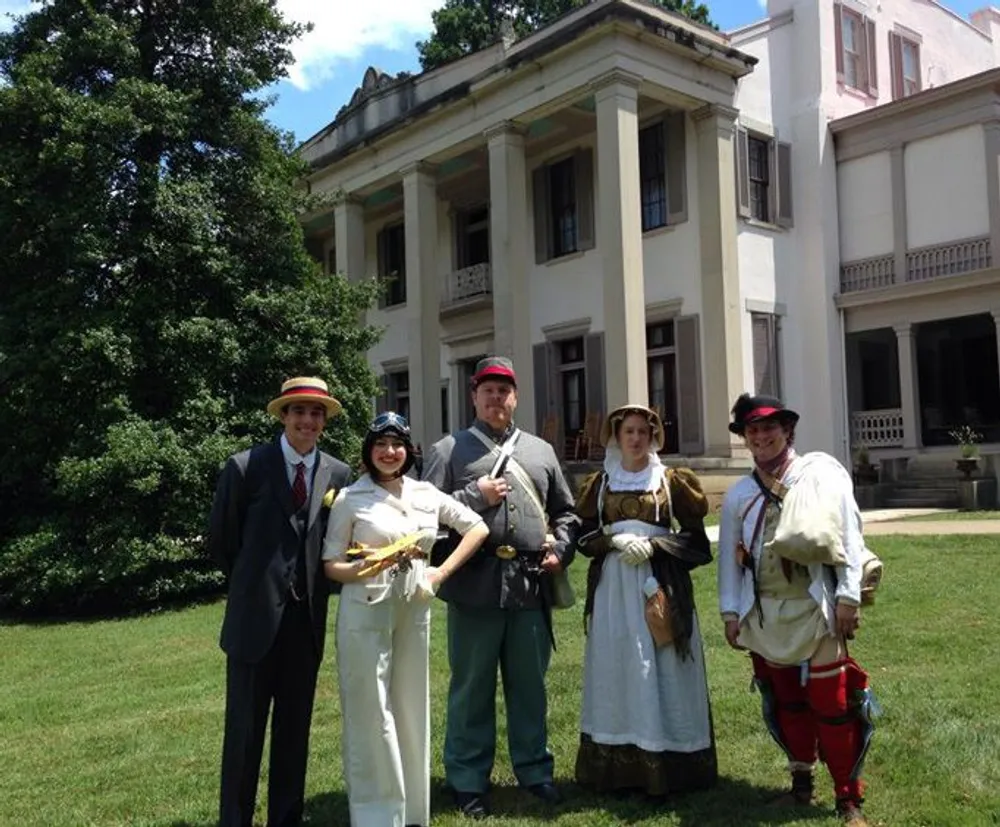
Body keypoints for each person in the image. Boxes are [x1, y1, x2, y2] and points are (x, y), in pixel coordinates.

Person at [422, 356, 580, 819]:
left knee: (530, 686)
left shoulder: (540, 451)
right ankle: (468, 780)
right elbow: (424, 518)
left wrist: (562, 549)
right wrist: (475, 496)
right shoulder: (448, 451)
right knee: (471, 688)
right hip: (474, 588)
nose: (496, 398)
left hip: (529, 587)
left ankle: (535, 770)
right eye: (487, 390)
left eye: (504, 390)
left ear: (515, 397)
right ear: (473, 396)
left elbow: (567, 512)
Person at [717, 394, 877, 827]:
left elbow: (848, 535)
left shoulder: (820, 475)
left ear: (788, 431)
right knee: (787, 703)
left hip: (816, 608)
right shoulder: (740, 495)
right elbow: (729, 561)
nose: (761, 436)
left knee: (833, 704)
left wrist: (848, 597)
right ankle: (801, 786)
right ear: (745, 439)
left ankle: (848, 798)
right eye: (752, 430)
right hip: (766, 613)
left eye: (770, 428)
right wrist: (731, 612)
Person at [322, 411, 489, 827]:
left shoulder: (425, 493)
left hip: (414, 607)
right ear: (369, 450)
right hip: (366, 609)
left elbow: (477, 527)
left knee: (411, 707)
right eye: (381, 444)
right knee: (370, 712)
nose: (390, 452)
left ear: (408, 451)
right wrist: (359, 571)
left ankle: (413, 812)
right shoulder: (350, 498)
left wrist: (439, 573)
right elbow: (330, 564)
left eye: (397, 445)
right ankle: (378, 815)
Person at [209, 376, 353, 827]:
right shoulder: (246, 466)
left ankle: (286, 818)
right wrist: (256, 586)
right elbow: (222, 542)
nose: (307, 421)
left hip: (305, 622)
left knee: (294, 733)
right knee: (244, 734)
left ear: (324, 422)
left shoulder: (338, 473)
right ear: (283, 416)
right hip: (253, 623)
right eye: (298, 412)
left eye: (316, 414)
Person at [573, 404, 717, 796]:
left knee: (665, 666)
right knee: (618, 666)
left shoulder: (671, 482)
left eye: (642, 432)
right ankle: (619, 764)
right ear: (616, 438)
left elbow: (699, 546)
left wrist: (655, 544)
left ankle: (673, 760)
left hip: (660, 587)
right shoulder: (600, 484)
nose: (636, 439)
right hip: (613, 591)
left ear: (653, 437)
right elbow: (582, 539)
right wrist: (612, 540)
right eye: (628, 432)